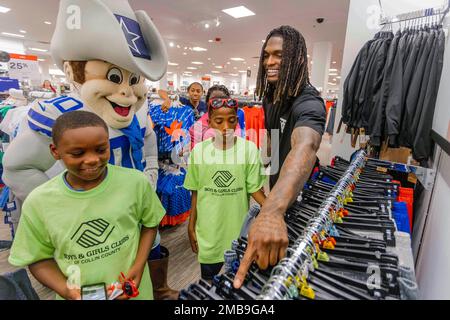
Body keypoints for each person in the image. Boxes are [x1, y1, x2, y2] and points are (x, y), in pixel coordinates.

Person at [1, 0, 178, 300]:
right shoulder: (65, 117)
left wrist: (150, 171)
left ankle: (157, 288)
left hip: (133, 209)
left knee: (143, 260)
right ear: (74, 71)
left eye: (133, 80)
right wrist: (60, 208)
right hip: (89, 237)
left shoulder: (132, 111)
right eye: (113, 77)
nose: (126, 91)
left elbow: (148, 142)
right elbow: (17, 165)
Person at [8, 111, 166, 300]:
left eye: (101, 149)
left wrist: (139, 266)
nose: (92, 159)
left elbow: (150, 224)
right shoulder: (39, 202)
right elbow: (37, 258)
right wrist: (66, 289)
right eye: (77, 153)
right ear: (55, 151)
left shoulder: (135, 183)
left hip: (133, 292)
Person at [234, 25, 326, 288]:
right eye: (266, 55)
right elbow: (274, 143)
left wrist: (272, 212)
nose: (270, 62)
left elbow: (305, 145)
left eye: (279, 55)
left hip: (297, 200)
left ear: (297, 59)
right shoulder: (271, 96)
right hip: (276, 192)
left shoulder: (310, 103)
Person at [184, 91, 266, 282]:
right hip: (209, 233)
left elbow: (255, 190)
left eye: (231, 121)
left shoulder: (249, 150)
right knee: (209, 284)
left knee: (238, 283)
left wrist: (275, 211)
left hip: (239, 233)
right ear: (210, 122)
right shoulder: (199, 152)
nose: (226, 127)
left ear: (237, 122)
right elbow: (195, 191)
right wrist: (191, 224)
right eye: (219, 121)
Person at [189, 85, 245, 150]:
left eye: (223, 99)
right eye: (215, 101)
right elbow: (195, 151)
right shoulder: (198, 127)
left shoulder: (234, 122)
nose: (219, 103)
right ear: (207, 103)